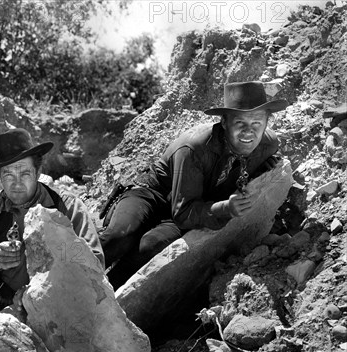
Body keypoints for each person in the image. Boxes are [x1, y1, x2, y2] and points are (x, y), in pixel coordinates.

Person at [99, 81, 289, 289]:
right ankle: (68, 274)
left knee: (150, 247)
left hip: (192, 204)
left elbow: (185, 213)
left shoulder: (268, 144)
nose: (248, 132)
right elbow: (183, 211)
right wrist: (224, 208)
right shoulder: (195, 146)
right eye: (239, 123)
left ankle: (104, 296)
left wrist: (264, 166)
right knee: (120, 236)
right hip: (154, 193)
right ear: (224, 122)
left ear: (266, 122)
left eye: (256, 124)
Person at [0, 128, 105, 311]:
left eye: (25, 174)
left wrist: (51, 259)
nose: (16, 183)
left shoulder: (67, 206)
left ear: (38, 171)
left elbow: (95, 261)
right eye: (8, 175)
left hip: (52, 302)